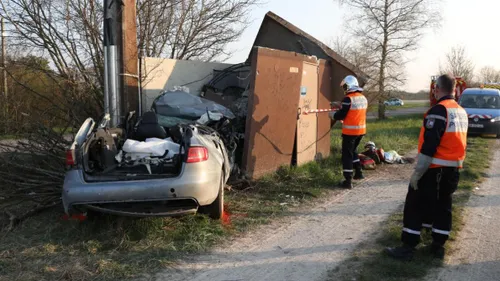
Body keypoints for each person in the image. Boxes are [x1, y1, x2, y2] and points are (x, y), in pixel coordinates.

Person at [386, 74, 469, 261]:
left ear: (437, 89)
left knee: (414, 204)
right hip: (453, 169)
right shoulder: (461, 111)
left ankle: (408, 246)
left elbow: (429, 146)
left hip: (434, 168)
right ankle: (438, 245)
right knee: (443, 205)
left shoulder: (438, 111)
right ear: (455, 89)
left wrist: (417, 173)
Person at [329, 75, 368, 189]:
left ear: (349, 85)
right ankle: (359, 172)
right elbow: (352, 110)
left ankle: (348, 180)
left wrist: (332, 115)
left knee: (346, 155)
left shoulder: (348, 99)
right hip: (361, 131)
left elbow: (342, 114)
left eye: (345, 86)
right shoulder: (362, 97)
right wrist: (339, 104)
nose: (344, 89)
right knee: (353, 151)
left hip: (350, 132)